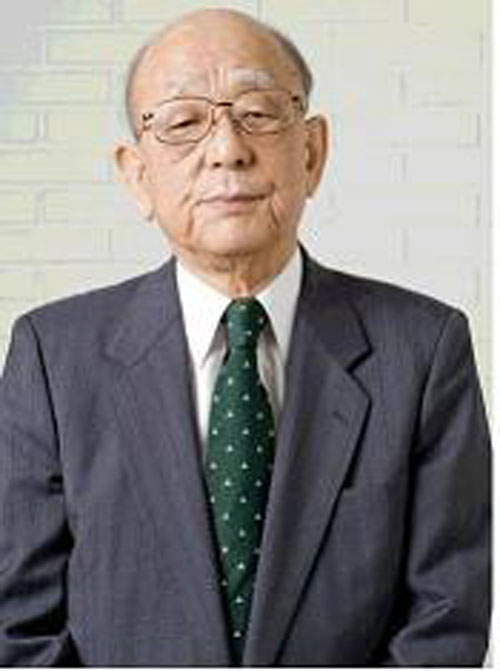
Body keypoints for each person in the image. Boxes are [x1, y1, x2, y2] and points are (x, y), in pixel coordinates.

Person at [0, 8, 491, 667]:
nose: (227, 148)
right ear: (137, 175)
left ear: (312, 152)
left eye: (258, 112)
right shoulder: (54, 358)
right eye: (183, 122)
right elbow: (19, 628)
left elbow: (444, 623)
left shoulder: (424, 350)